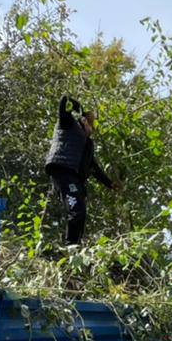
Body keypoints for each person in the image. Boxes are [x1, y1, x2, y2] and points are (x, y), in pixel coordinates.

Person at [45, 94, 115, 245]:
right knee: (76, 211)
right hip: (63, 171)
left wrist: (110, 184)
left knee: (81, 213)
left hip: (74, 178)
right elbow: (64, 101)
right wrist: (81, 109)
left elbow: (93, 167)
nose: (92, 127)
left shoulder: (87, 143)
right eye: (90, 123)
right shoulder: (68, 124)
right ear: (83, 121)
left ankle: (76, 245)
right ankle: (70, 247)